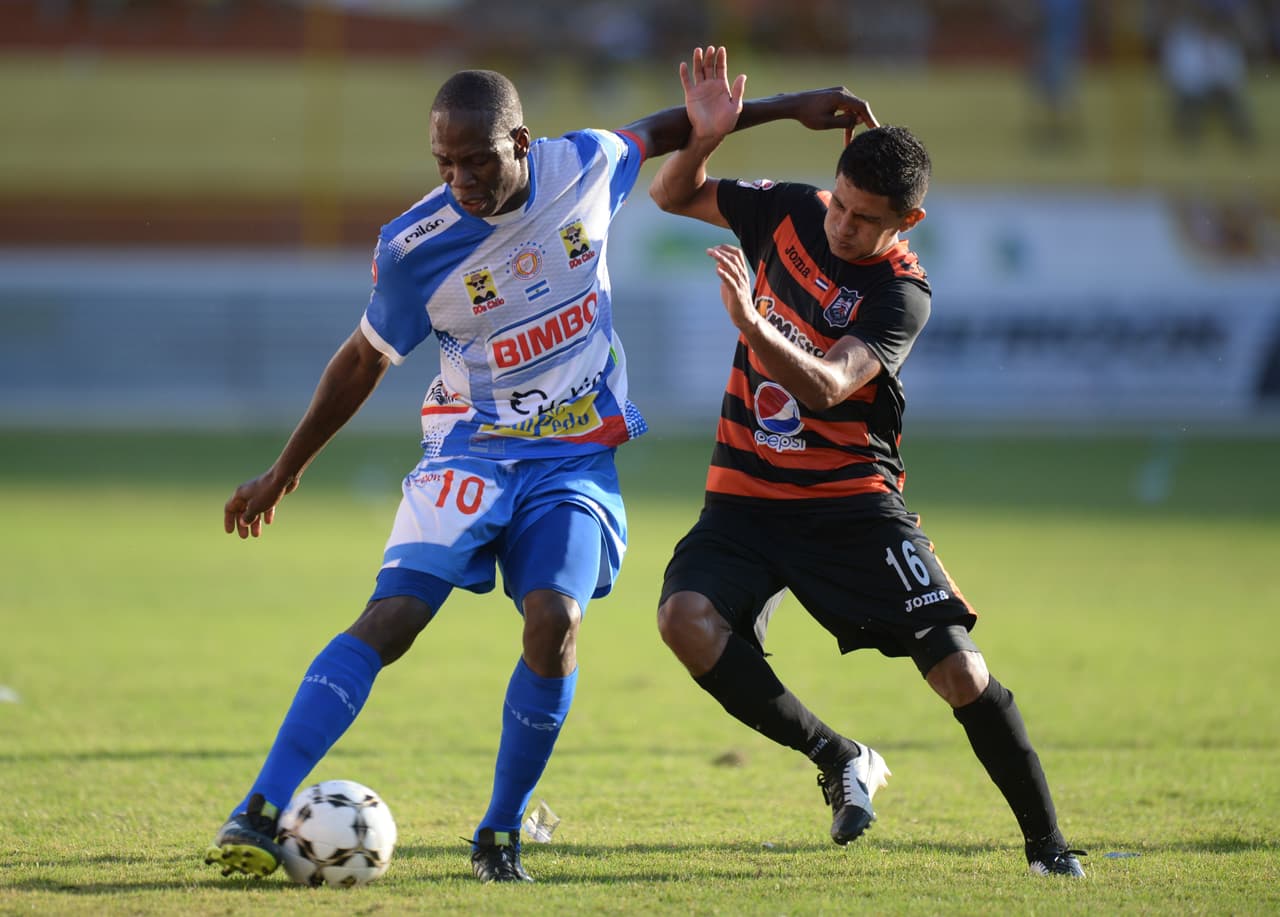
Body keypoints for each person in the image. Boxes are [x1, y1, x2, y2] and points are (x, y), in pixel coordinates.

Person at [205, 46, 874, 885]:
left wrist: (789, 105)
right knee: (395, 616)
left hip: (571, 455)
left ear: (523, 142)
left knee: (555, 622)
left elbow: (669, 130)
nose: (460, 179)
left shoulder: (585, 164)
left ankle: (497, 835)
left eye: (477, 159)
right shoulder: (417, 245)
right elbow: (363, 360)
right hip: (469, 448)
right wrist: (285, 469)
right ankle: (260, 807)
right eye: (444, 162)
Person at [649, 53, 1087, 877]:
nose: (842, 226)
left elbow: (822, 388)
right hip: (746, 497)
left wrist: (753, 325)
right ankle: (837, 754)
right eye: (841, 204)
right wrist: (727, 127)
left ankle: (1048, 848)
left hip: (851, 502)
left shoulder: (901, 293)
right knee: (683, 620)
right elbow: (671, 193)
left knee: (960, 670)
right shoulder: (787, 209)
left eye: (864, 219)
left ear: (907, 223)